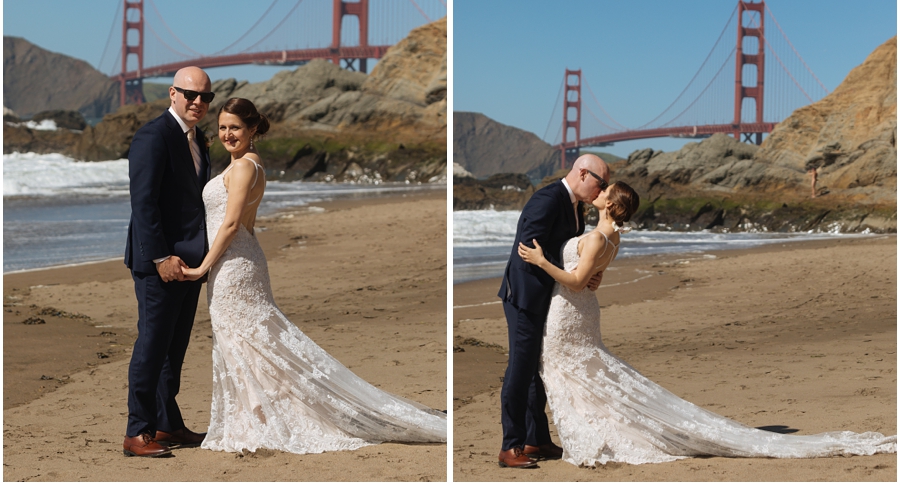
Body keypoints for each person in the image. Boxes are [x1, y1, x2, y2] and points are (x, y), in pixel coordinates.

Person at [519, 181, 896, 466]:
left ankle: (597, 433)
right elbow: (590, 275)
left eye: (606, 192)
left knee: (571, 371)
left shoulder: (601, 236)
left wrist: (541, 262)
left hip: (572, 310)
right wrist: (585, 273)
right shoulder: (613, 237)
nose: (599, 192)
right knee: (584, 375)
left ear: (612, 204)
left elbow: (576, 280)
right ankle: (592, 429)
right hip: (580, 312)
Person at [181, 98, 446, 453]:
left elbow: (230, 224)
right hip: (237, 261)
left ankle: (263, 420)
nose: (228, 134)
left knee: (251, 344)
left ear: (253, 130)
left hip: (233, 267)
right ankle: (254, 418)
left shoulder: (244, 167)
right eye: (223, 127)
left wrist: (202, 266)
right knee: (248, 345)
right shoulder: (247, 164)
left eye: (236, 128)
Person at [123, 66, 215, 457]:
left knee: (173, 347)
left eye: (205, 97)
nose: (197, 102)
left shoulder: (198, 139)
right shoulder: (153, 136)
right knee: (152, 344)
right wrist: (161, 256)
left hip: (191, 262)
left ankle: (167, 423)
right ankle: (137, 431)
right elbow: (143, 203)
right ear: (172, 94)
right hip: (158, 262)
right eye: (190, 95)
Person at [496, 153, 609, 468]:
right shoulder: (547, 199)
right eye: (602, 184)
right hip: (525, 296)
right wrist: (569, 276)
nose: (603, 191)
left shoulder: (575, 206)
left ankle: (536, 440)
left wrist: (586, 275)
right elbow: (527, 252)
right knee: (520, 370)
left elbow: (565, 251)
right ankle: (510, 447)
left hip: (550, 296)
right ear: (583, 174)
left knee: (537, 369)